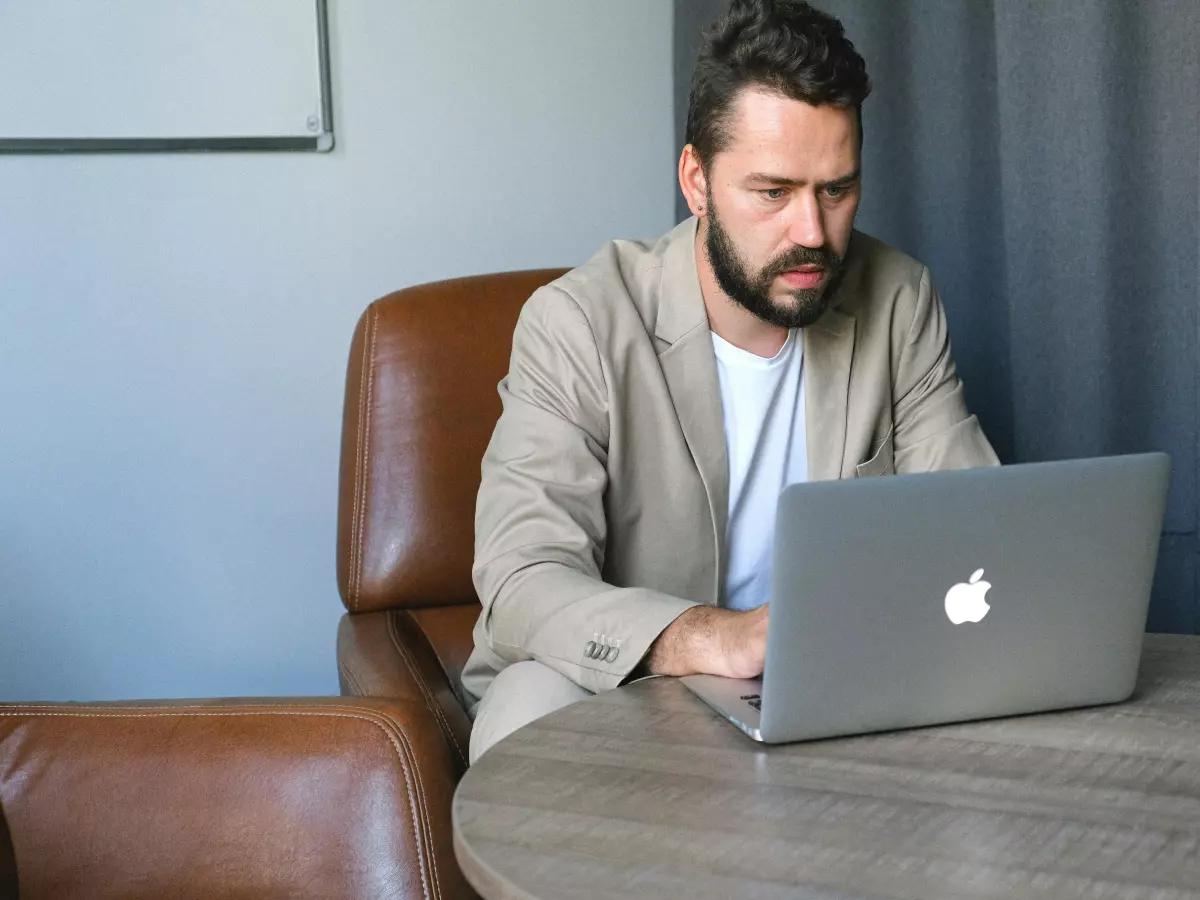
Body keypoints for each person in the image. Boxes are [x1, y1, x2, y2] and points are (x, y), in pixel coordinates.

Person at [461, 0, 998, 763]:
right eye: (772, 193)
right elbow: (522, 579)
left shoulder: (898, 298)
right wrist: (711, 637)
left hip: (830, 679)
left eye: (836, 190)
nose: (812, 232)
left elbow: (975, 525)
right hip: (622, 683)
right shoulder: (577, 321)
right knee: (525, 709)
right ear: (697, 180)